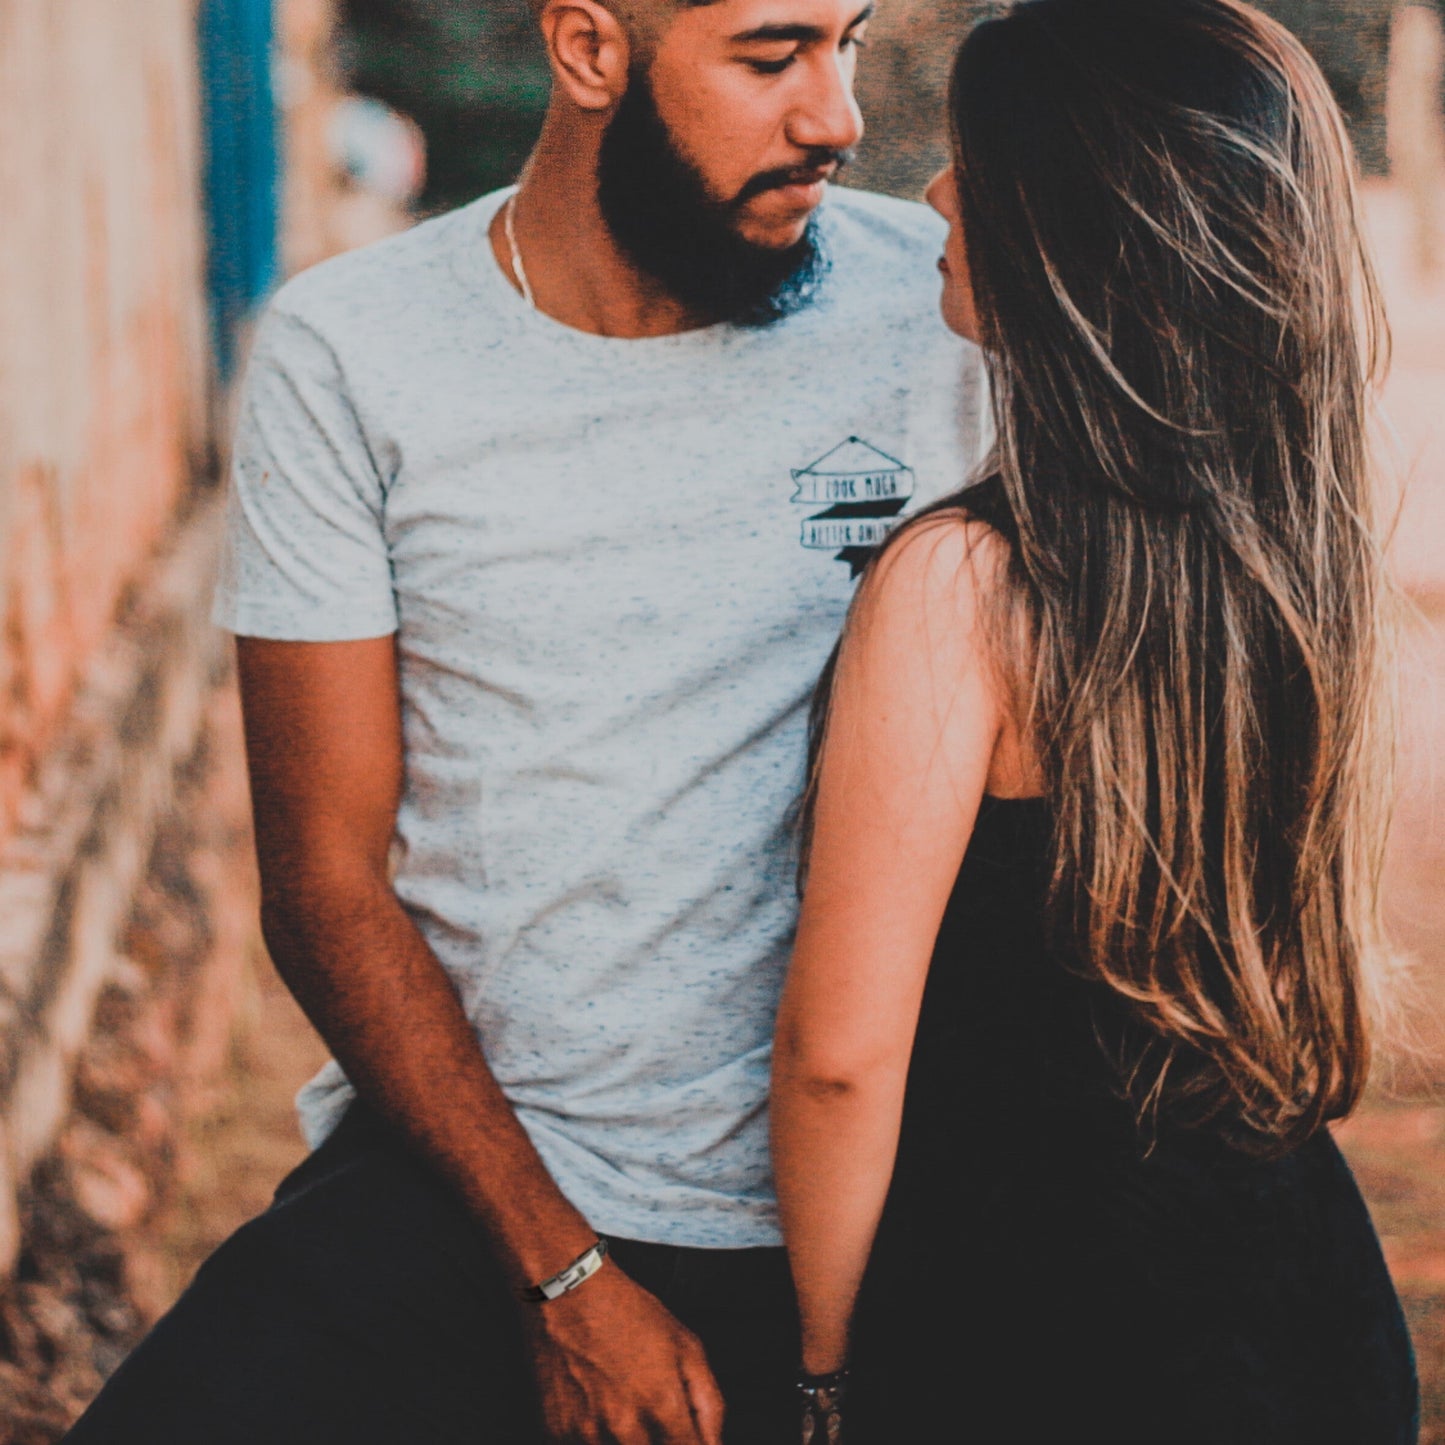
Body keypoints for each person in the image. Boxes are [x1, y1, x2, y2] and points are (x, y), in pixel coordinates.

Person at [63, 0, 987, 1441]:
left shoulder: (941, 309)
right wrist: (561, 1275)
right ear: (588, 52)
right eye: (769, 56)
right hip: (478, 1176)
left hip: (880, 1192)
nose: (836, 119)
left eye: (848, 46)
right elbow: (323, 880)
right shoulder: (351, 353)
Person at [770, 0, 1420, 1439]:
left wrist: (821, 1374)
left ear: (1074, 229)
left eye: (972, 166)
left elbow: (836, 1049)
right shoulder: (1296, 559)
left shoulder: (965, 588)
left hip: (1035, 1321)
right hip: (1300, 1311)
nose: (933, 194)